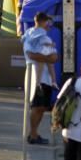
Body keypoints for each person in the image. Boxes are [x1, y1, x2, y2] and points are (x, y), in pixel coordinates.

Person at [22, 12, 58, 145]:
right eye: (49, 23)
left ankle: (34, 133)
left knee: (41, 106)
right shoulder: (42, 37)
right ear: (44, 22)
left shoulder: (30, 34)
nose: (50, 26)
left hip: (40, 77)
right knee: (37, 106)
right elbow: (35, 56)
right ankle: (33, 134)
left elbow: (51, 59)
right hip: (39, 78)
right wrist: (50, 56)